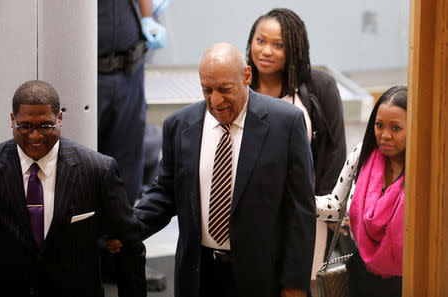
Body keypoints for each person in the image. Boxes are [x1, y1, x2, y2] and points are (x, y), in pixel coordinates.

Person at [110, 43, 315, 297]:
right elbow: (165, 193)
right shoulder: (179, 125)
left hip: (260, 276)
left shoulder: (286, 123)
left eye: (224, 89)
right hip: (198, 275)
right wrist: (128, 227)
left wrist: (295, 282)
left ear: (247, 76)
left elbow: (301, 210)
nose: (215, 100)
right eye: (207, 90)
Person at [0, 80, 146, 297]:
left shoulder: (97, 170)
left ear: (59, 118)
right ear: (13, 120)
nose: (36, 136)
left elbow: (129, 248)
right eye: (25, 126)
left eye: (46, 126)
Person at [246, 7, 348, 288]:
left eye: (278, 45)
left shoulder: (320, 86)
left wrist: (326, 212)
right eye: (260, 40)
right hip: (251, 212)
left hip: (306, 212)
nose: (266, 51)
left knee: (301, 285)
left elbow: (335, 150)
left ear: (295, 48)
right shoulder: (240, 87)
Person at [98, 0, 167, 283]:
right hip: (86, 70)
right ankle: (83, 263)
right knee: (79, 169)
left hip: (130, 68)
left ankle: (120, 261)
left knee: (126, 172)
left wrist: (148, 19)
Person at [316, 86, 407, 297]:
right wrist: (300, 202)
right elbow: (337, 206)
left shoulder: (424, 170)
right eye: (379, 125)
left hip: (408, 276)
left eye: (396, 128)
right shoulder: (362, 155)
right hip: (362, 274)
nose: (385, 135)